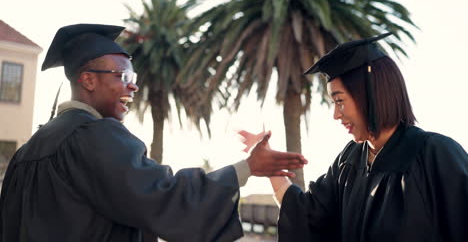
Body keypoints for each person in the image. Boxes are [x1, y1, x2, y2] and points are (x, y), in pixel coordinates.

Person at [0, 23, 308, 242]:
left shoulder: (28, 151)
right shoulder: (95, 136)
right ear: (88, 80)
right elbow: (166, 196)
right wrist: (248, 167)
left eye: (132, 76)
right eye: (122, 76)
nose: (133, 85)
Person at [240, 33, 468, 241]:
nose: (335, 115)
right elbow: (307, 216)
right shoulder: (349, 161)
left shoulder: (435, 154)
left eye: (340, 101)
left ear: (370, 95)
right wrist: (270, 167)